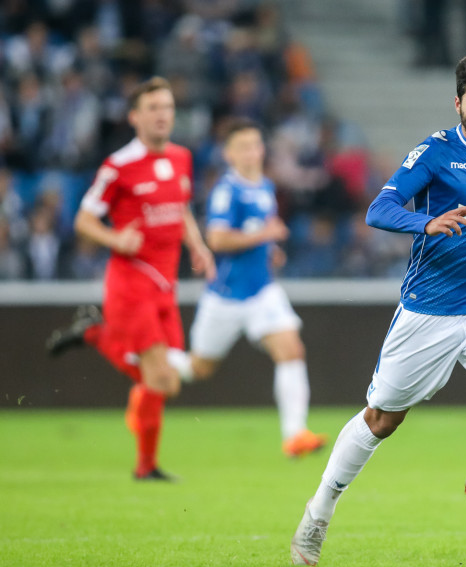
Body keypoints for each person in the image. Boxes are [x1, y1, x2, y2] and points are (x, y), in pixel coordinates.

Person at [290, 50, 466, 565]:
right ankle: (318, 511)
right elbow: (379, 209)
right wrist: (426, 223)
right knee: (381, 420)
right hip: (429, 310)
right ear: (458, 103)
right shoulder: (434, 153)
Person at [46, 76, 216, 481]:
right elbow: (84, 219)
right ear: (134, 117)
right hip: (131, 281)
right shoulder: (118, 166)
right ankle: (145, 467)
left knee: (169, 383)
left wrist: (197, 246)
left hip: (165, 284)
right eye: (153, 108)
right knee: (159, 376)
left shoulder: (181, 158)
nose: (162, 115)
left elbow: (181, 208)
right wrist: (115, 238)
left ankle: (94, 334)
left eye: (167, 107)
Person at [175, 118, 327, 458]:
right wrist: (265, 236)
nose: (252, 152)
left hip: (262, 291)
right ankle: (153, 362)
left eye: (256, 145)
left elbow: (255, 234)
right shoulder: (227, 190)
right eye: (243, 147)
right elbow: (217, 238)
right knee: (198, 368)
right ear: (228, 154)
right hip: (226, 297)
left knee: (291, 349)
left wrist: (268, 250)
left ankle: (295, 435)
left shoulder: (264, 186)